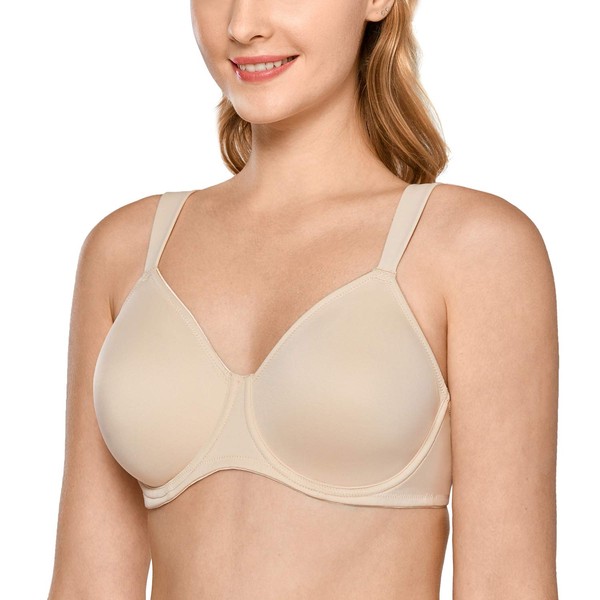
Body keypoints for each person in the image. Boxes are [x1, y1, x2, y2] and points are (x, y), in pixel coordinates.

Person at [48, 0, 559, 598]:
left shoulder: (472, 249)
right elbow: (85, 584)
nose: (242, 25)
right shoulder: (125, 253)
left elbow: (507, 582)